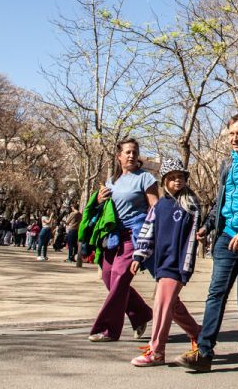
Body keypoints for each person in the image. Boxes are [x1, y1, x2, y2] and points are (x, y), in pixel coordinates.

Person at [176, 113, 238, 373]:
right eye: (231, 133)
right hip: (226, 238)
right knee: (216, 294)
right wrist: (209, 225)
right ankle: (204, 352)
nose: (235, 138)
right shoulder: (227, 163)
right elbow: (222, 201)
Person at [129, 158, 203, 367]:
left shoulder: (191, 205)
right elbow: (148, 231)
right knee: (171, 304)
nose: (177, 181)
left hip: (177, 263)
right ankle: (198, 333)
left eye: (180, 177)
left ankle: (157, 351)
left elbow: (194, 234)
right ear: (164, 181)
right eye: (172, 178)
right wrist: (139, 256)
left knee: (162, 304)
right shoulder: (159, 205)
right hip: (160, 262)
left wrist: (187, 264)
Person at [88, 137, 156, 342]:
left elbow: (155, 207)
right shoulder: (112, 181)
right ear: (119, 156)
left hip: (134, 235)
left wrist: (150, 236)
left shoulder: (146, 178)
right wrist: (100, 199)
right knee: (109, 278)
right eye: (127, 152)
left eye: (135, 151)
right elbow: (106, 208)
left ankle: (108, 330)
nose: (132, 155)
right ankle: (141, 313)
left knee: (119, 277)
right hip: (113, 236)